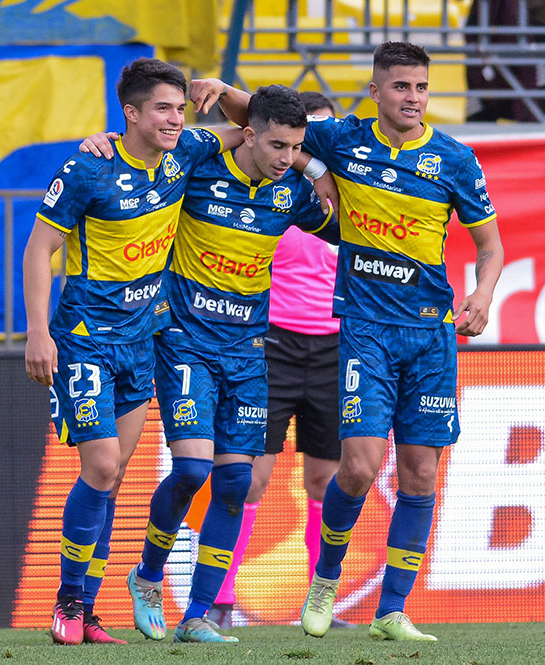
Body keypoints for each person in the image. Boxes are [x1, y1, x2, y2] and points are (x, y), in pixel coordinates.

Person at [191, 40, 504, 642]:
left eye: (420, 87)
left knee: (420, 474)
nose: (412, 98)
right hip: (363, 330)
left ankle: (392, 610)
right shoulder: (341, 138)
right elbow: (261, 118)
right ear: (376, 90)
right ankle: (325, 578)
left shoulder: (455, 159)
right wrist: (220, 87)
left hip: (430, 335)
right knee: (358, 467)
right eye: (401, 86)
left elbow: (490, 246)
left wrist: (482, 295)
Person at [81, 84, 339, 644]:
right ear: (249, 134)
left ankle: (198, 614)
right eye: (276, 145)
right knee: (194, 470)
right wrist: (102, 143)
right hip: (184, 340)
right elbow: (144, 148)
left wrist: (316, 164)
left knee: (235, 481)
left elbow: (342, 223)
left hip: (249, 351)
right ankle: (147, 577)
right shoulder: (196, 164)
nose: (285, 158)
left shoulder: (291, 191)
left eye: (295, 148)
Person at [22, 57, 237, 646]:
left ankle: (88, 613)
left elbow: (256, 129)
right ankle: (67, 601)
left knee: (114, 477)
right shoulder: (87, 167)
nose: (175, 119)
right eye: (162, 108)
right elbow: (39, 250)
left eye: (180, 108)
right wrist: (37, 332)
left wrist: (224, 93)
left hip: (143, 342)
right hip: (85, 341)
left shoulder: (185, 152)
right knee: (100, 465)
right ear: (131, 113)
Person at [205, 91, 354, 631]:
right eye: (294, 141)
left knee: (327, 480)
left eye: (311, 141)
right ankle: (220, 599)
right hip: (271, 343)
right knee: (248, 478)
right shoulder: (273, 190)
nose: (299, 152)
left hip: (337, 347)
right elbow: (232, 135)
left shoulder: (341, 194)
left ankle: (320, 605)